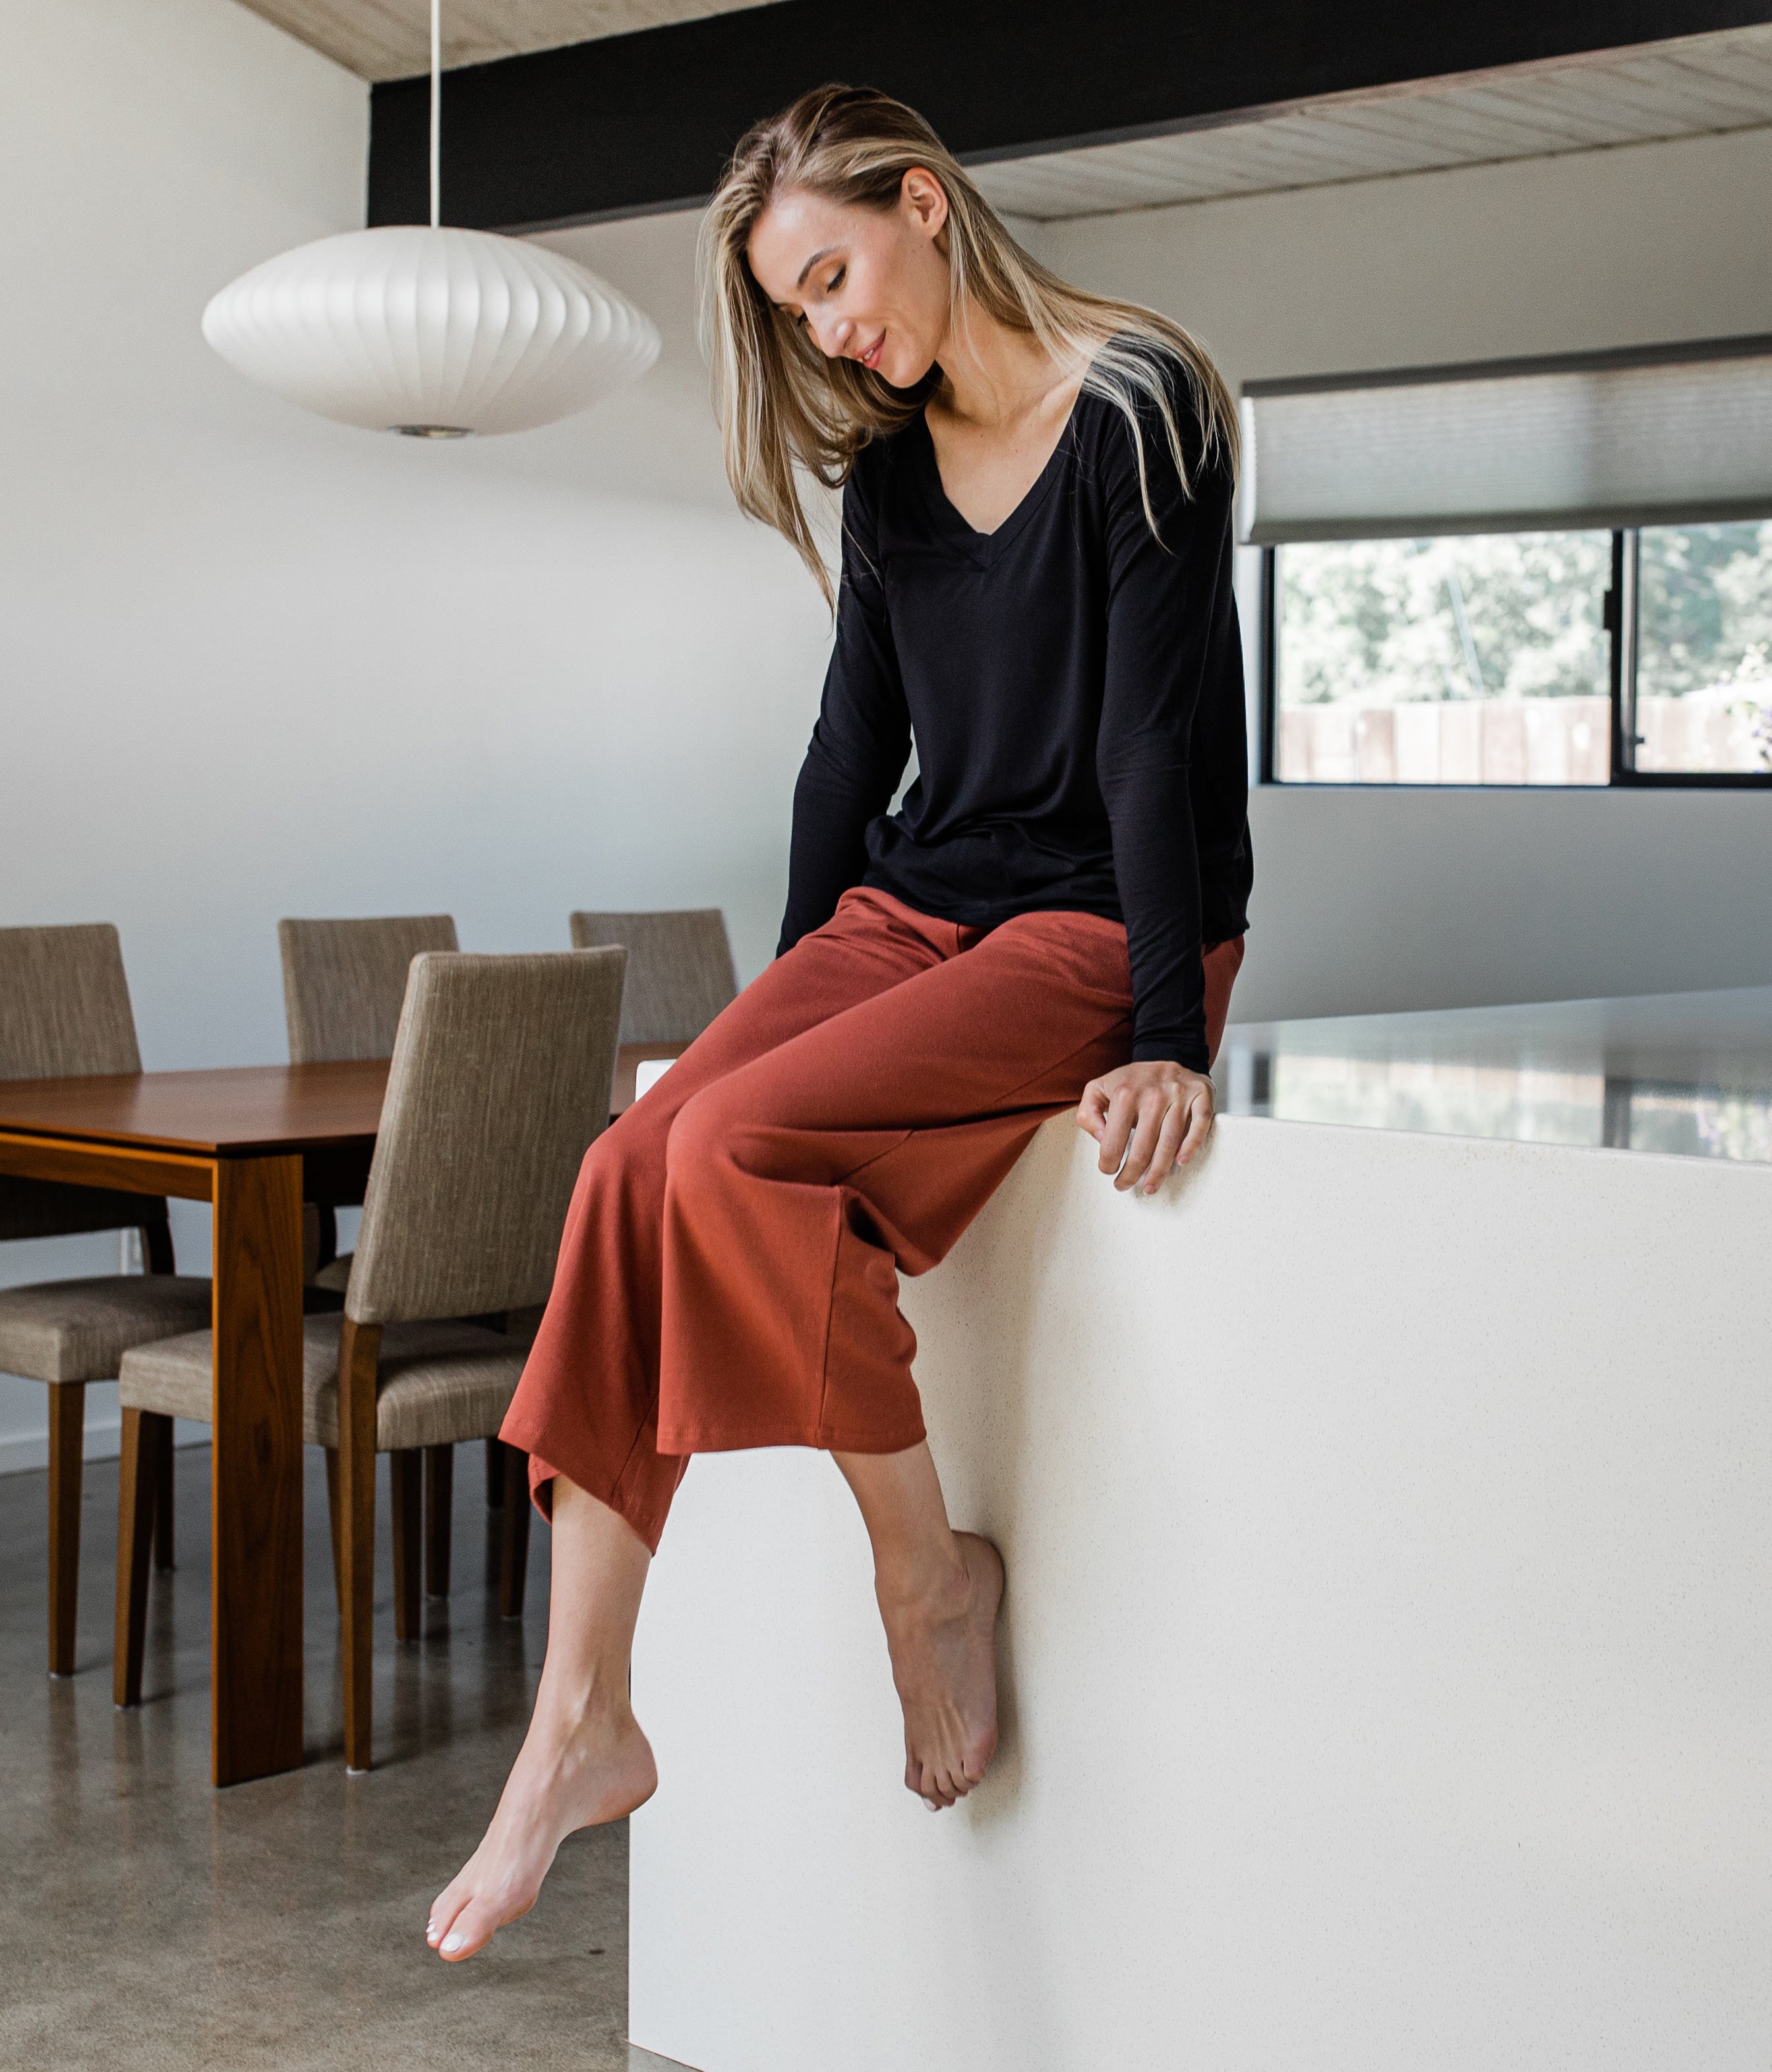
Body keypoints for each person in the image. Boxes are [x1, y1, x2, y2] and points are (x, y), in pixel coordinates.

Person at [427, 82, 1254, 1962]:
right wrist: (790, 994)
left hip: (1102, 917)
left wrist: (1165, 1031)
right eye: (795, 311)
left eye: (831, 278)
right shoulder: (887, 472)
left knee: (723, 1149)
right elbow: (844, 754)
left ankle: (922, 1574)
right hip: (920, 909)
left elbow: (1150, 741)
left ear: (921, 203)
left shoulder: (1143, 406)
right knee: (639, 1158)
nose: (828, 331)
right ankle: (585, 1714)